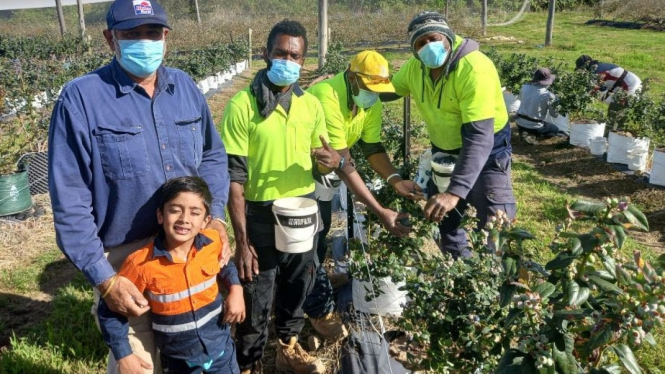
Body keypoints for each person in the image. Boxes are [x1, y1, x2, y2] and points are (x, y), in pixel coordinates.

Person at [47, 0, 231, 372]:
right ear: (109, 39)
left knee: (199, 354)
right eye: (131, 34)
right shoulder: (81, 98)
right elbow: (70, 199)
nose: (143, 41)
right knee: (138, 364)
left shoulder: (186, 88)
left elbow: (212, 156)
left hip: (191, 246)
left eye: (151, 33)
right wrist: (106, 280)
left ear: (165, 37)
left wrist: (217, 219)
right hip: (128, 261)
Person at [220, 20, 337, 374]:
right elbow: (234, 178)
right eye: (281, 53)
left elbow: (321, 163)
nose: (288, 60)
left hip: (303, 208)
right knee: (258, 290)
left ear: (304, 60)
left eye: (296, 55)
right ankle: (250, 361)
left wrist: (329, 164)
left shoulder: (310, 105)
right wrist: (241, 240)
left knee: (298, 282)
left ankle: (287, 344)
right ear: (266, 54)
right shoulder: (243, 106)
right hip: (260, 213)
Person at [303, 50, 421, 338]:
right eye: (369, 88)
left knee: (323, 227)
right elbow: (343, 162)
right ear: (352, 78)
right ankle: (315, 308)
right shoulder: (326, 95)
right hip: (300, 174)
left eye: (378, 90)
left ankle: (313, 282)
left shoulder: (369, 103)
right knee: (311, 236)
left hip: (326, 171)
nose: (373, 95)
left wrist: (394, 180)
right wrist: (381, 212)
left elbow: (372, 148)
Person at [383, 11, 516, 258]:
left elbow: (479, 137)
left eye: (433, 38)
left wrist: (454, 192)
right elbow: (390, 90)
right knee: (446, 223)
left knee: (495, 226)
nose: (428, 47)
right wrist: (354, 83)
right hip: (444, 151)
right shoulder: (415, 67)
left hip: (487, 151)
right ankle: (460, 281)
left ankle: (498, 283)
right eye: (420, 43)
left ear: (448, 36)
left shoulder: (474, 68)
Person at [97, 176, 244, 374]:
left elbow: (224, 265)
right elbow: (110, 308)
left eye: (195, 212)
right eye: (175, 210)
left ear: (206, 221)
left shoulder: (213, 242)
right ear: (160, 216)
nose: (184, 219)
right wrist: (123, 354)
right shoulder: (140, 263)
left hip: (221, 353)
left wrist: (236, 289)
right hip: (179, 363)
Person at [515, 67, 565, 142]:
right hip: (535, 126)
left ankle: (525, 131)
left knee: (530, 122)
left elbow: (522, 100)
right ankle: (534, 135)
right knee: (554, 129)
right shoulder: (548, 95)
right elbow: (554, 115)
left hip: (519, 121)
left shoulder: (524, 87)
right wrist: (557, 103)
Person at [575, 55, 643, 106]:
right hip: (628, 82)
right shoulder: (598, 66)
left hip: (630, 85)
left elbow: (591, 90)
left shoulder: (596, 73)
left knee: (619, 106)